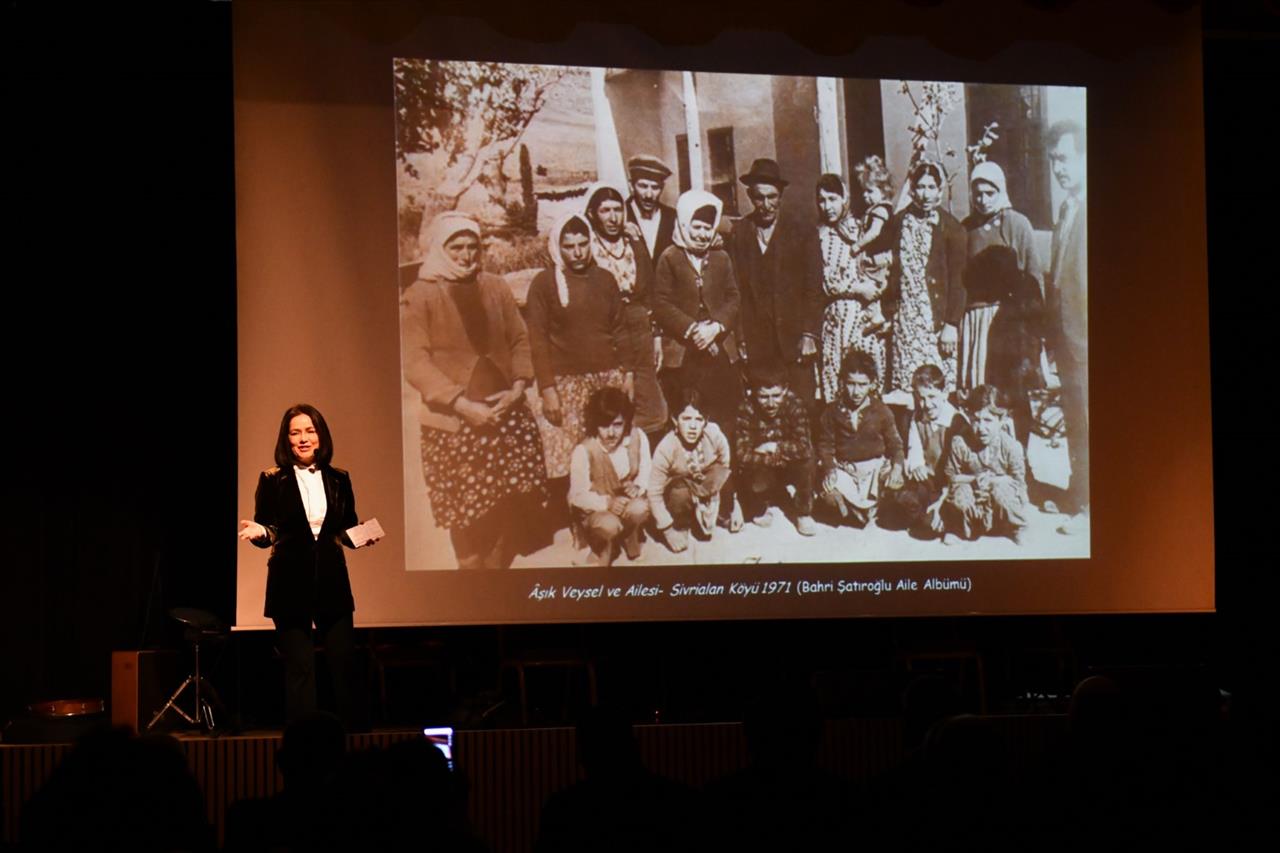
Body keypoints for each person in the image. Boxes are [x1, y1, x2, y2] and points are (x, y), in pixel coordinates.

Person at [400, 211, 549, 569]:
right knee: (462, 507)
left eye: (473, 247)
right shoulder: (419, 295)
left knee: (503, 496)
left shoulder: (495, 286)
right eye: (457, 247)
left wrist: (518, 388)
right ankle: (469, 570)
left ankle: (496, 568)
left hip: (504, 413)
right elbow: (414, 361)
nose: (467, 255)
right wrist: (460, 403)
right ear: (440, 248)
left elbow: (519, 339)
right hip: (454, 422)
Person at [239, 403, 378, 726]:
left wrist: (361, 536)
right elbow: (269, 529)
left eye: (309, 431)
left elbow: (344, 528)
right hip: (289, 584)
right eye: (295, 432)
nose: (303, 438)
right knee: (300, 668)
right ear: (286, 440)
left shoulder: (339, 479)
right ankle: (306, 742)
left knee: (343, 664)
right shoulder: (272, 479)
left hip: (332, 582)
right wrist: (260, 532)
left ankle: (353, 738)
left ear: (321, 435)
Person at [652, 188, 744, 530]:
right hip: (686, 357)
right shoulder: (669, 258)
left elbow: (734, 297)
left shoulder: (721, 258)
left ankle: (728, 501)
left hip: (720, 354)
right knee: (690, 427)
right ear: (683, 224)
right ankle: (691, 503)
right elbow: (661, 303)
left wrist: (718, 326)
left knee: (724, 426)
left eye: (709, 226)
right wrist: (693, 329)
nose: (703, 233)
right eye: (697, 226)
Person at [525, 211, 635, 489]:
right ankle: (566, 520)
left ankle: (605, 519)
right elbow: (537, 339)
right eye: (569, 246)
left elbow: (620, 329)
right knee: (566, 455)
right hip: (566, 384)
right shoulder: (544, 283)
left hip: (605, 378)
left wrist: (628, 374)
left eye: (582, 244)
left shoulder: (605, 279)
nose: (577, 252)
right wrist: (548, 389)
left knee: (607, 450)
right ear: (558, 247)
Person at [726, 158, 825, 404]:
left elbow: (814, 287)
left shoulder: (802, 231)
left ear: (780, 196)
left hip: (795, 339)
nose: (766, 205)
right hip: (757, 340)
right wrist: (740, 338)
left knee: (801, 404)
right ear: (750, 197)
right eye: (760, 198)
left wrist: (809, 334)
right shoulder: (740, 233)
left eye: (772, 197)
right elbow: (735, 290)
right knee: (763, 406)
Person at [959, 160, 1046, 441]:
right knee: (979, 388)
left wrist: (1033, 329)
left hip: (1009, 321)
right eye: (978, 193)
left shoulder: (1017, 224)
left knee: (1010, 390)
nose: (983, 200)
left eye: (990, 193)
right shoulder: (967, 228)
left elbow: (1033, 277)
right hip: (975, 321)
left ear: (1001, 191)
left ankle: (1018, 456)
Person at [873, 158, 967, 394]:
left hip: (934, 320)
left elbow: (959, 281)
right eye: (920, 187)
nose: (925, 194)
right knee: (907, 387)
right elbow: (874, 252)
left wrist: (951, 325)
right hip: (906, 320)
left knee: (936, 388)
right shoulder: (899, 222)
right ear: (912, 189)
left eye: (931, 187)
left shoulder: (952, 229)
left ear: (939, 189)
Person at [584, 181, 668, 436]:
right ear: (592, 214)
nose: (613, 217)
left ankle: (646, 460)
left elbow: (649, 293)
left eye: (617, 209)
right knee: (616, 395)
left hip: (639, 327)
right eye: (605, 211)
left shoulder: (634, 241)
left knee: (652, 404)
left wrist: (656, 337)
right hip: (607, 329)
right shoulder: (588, 247)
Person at [1045, 120, 1089, 534]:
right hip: (1067, 341)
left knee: (1093, 421)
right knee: (1076, 419)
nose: (1058, 167)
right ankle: (1079, 493)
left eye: (1064, 158)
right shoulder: (1066, 209)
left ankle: (1092, 510)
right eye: (1053, 159)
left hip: (1090, 340)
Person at [815, 172, 887, 403]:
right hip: (835, 318)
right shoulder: (818, 237)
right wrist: (857, 289)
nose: (827, 206)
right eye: (822, 200)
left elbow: (878, 263)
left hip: (863, 318)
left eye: (833, 199)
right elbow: (824, 280)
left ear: (845, 198)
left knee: (864, 379)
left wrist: (875, 287)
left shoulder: (860, 229)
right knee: (837, 380)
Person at [877, 364, 972, 537]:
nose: (926, 404)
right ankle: (923, 514)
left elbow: (959, 466)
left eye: (932, 397)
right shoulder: (919, 418)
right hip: (927, 480)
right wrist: (917, 465)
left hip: (949, 484)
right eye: (921, 398)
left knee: (927, 526)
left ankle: (938, 517)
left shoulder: (956, 422)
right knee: (895, 510)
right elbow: (915, 448)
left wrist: (946, 492)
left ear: (944, 393)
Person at [817, 351, 905, 527]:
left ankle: (863, 510)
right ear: (842, 382)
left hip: (874, 471)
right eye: (851, 384)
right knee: (828, 497)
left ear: (872, 384)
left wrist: (897, 467)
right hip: (846, 470)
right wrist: (830, 469)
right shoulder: (831, 412)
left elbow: (896, 445)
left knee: (898, 491)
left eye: (862, 385)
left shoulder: (881, 411)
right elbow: (825, 446)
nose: (856, 391)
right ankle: (857, 510)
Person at [567, 387, 653, 566]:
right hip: (598, 509)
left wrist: (638, 486)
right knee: (609, 525)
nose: (611, 433)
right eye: (604, 425)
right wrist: (606, 503)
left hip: (625, 503)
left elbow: (646, 470)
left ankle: (631, 535)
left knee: (641, 508)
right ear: (594, 423)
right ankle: (602, 545)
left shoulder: (637, 438)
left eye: (617, 424)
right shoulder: (585, 450)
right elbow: (576, 496)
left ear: (626, 422)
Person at [733, 363, 817, 536]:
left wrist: (773, 447)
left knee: (808, 461)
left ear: (785, 389)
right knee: (751, 469)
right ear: (753, 392)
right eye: (764, 396)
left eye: (776, 396)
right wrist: (770, 458)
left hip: (787, 465)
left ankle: (803, 511)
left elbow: (804, 447)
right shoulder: (746, 408)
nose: (771, 403)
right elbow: (741, 454)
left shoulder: (795, 405)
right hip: (763, 468)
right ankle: (760, 504)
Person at [941, 384, 1029, 545]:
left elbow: (1018, 482)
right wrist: (974, 479)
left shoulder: (1011, 446)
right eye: (976, 420)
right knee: (959, 496)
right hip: (973, 490)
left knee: (1003, 493)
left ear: (1001, 420)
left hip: (999, 492)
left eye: (988, 420)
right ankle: (958, 527)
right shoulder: (960, 442)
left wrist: (993, 481)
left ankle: (1016, 527)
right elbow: (951, 476)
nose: (981, 428)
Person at [648, 389, 734, 553]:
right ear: (675, 420)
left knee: (724, 476)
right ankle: (682, 523)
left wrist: (734, 507)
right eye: (686, 419)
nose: (693, 426)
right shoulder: (666, 447)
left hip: (704, 484)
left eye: (699, 419)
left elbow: (725, 468)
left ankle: (719, 514)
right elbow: (653, 492)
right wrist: (668, 530)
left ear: (706, 421)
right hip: (680, 491)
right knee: (679, 493)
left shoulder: (714, 435)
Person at [624, 154, 678, 263]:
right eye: (643, 186)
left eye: (655, 187)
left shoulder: (673, 217)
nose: (649, 195)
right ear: (631, 186)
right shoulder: (620, 215)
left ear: (662, 188)